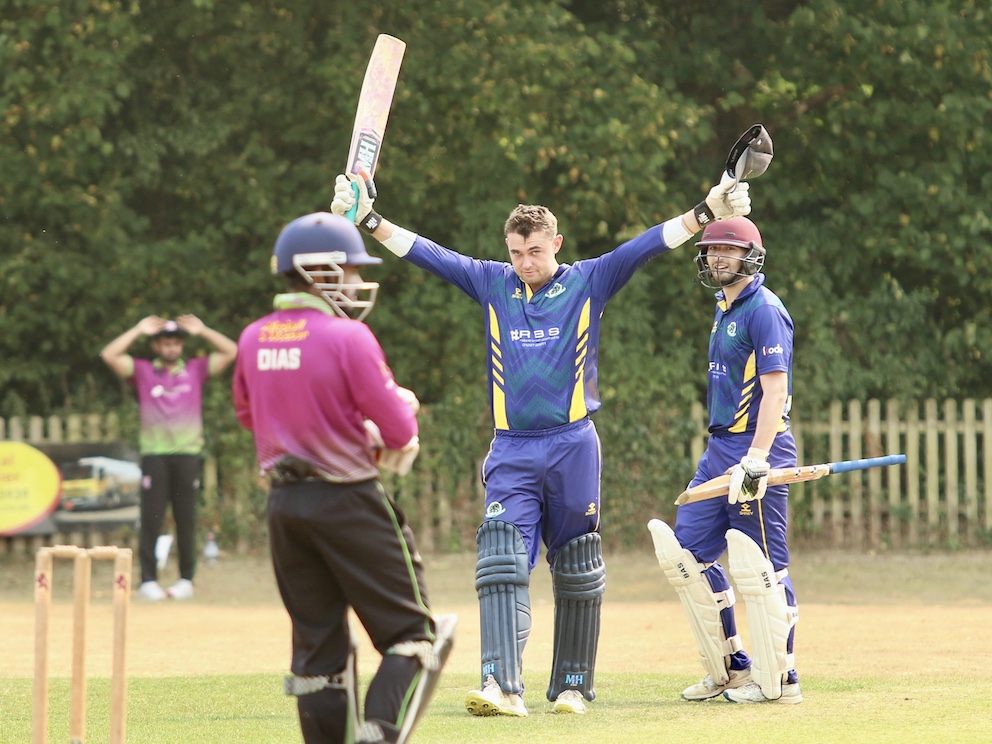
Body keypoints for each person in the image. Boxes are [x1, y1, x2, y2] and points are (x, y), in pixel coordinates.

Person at [330, 167, 752, 717]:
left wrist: (707, 211)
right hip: (512, 448)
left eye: (533, 250)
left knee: (577, 564)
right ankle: (501, 685)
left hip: (574, 444)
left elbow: (647, 244)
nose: (524, 262)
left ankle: (573, 686)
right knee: (501, 555)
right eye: (515, 252)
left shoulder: (588, 280)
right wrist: (368, 219)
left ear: (555, 244)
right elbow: (427, 253)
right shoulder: (491, 282)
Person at [232, 211, 456, 744]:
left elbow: (249, 417)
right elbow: (399, 430)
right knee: (414, 637)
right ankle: (377, 734)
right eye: (351, 269)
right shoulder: (347, 337)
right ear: (321, 272)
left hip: (285, 510)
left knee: (317, 655)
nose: (356, 282)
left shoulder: (251, 338)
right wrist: (386, 425)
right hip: (350, 502)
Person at [647, 216, 801, 704]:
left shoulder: (764, 310)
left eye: (727, 250)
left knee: (763, 567)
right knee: (688, 555)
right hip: (719, 451)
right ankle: (732, 667)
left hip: (759, 448)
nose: (716, 257)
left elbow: (776, 388)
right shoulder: (725, 307)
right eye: (711, 249)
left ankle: (782, 681)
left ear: (749, 255)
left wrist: (757, 457)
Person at [101, 314, 238, 601]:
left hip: (187, 455)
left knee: (185, 518)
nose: (172, 348)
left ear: (182, 346)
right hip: (155, 455)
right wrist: (137, 329)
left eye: (176, 343)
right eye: (166, 343)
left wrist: (203, 330)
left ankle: (186, 579)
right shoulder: (142, 371)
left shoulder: (195, 369)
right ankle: (148, 581)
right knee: (151, 519)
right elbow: (109, 354)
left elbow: (231, 351)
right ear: (156, 346)